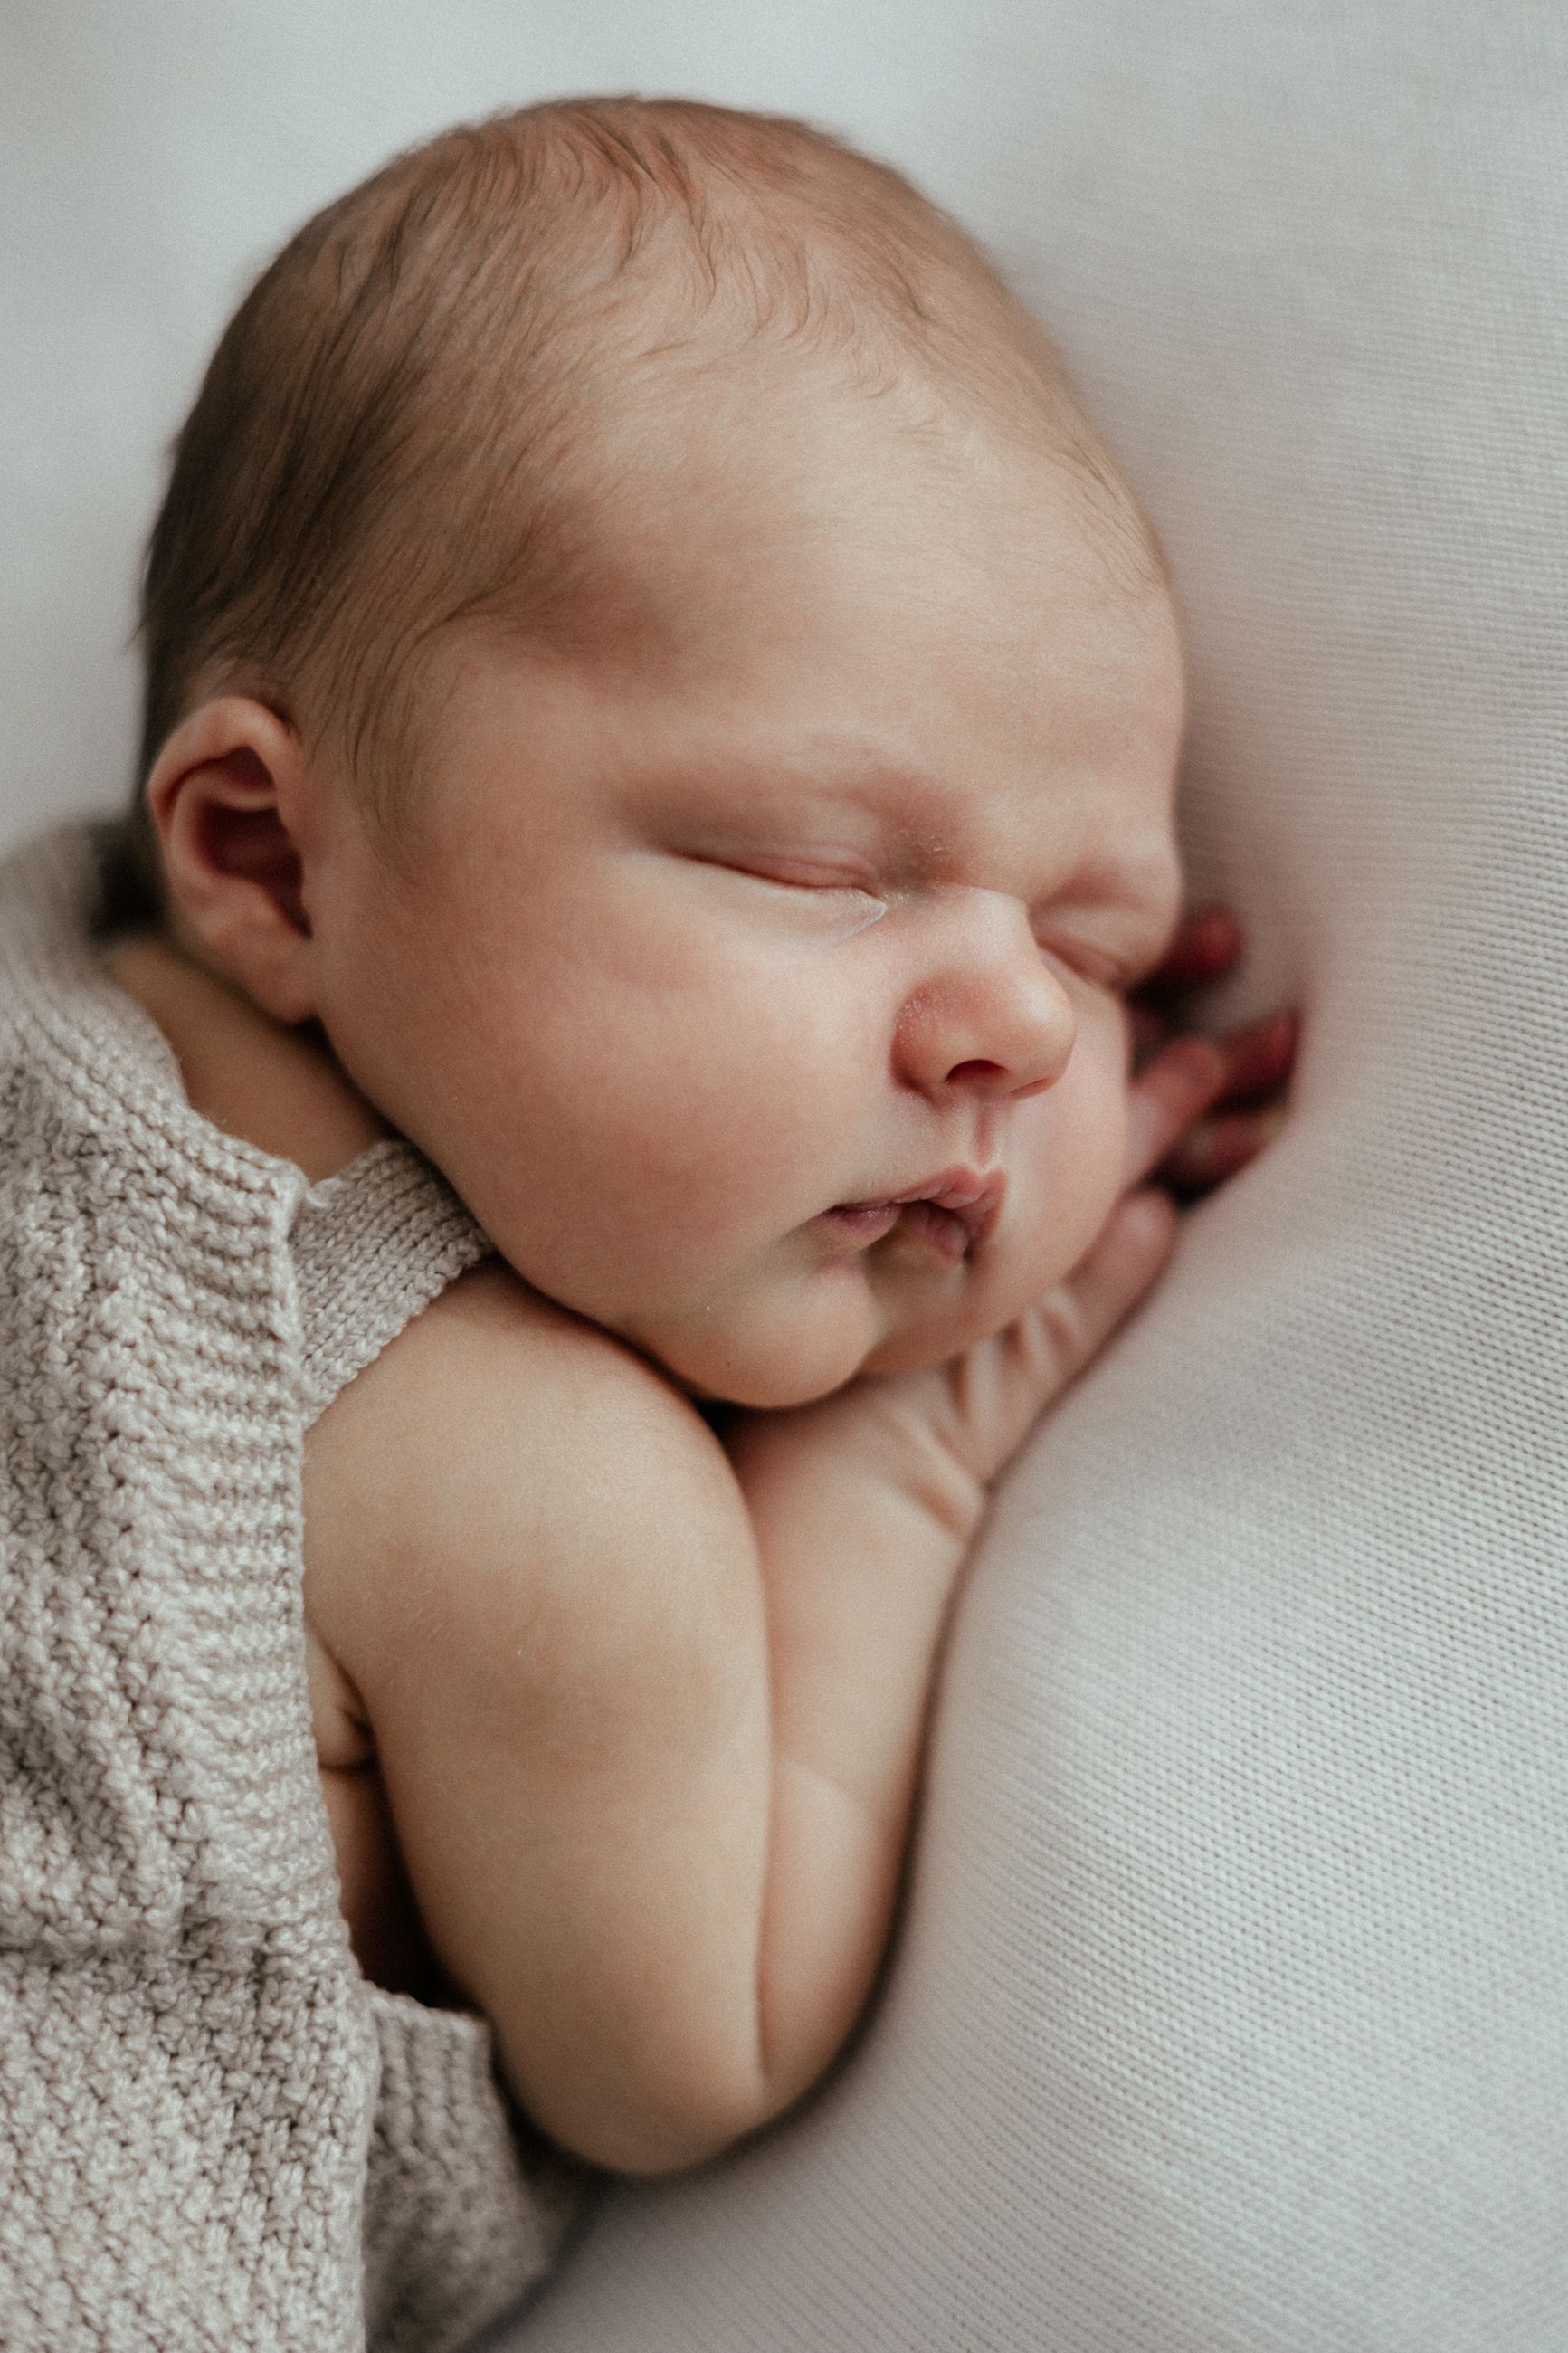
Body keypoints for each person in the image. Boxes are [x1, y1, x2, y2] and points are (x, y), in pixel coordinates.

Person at [0, 95, 1297, 2352]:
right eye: (821, 870)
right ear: (273, 859)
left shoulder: (72, 999)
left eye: (1098, 943)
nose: (1007, 1013)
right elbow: (690, 2045)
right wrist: (900, 1456)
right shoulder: (538, 1488)